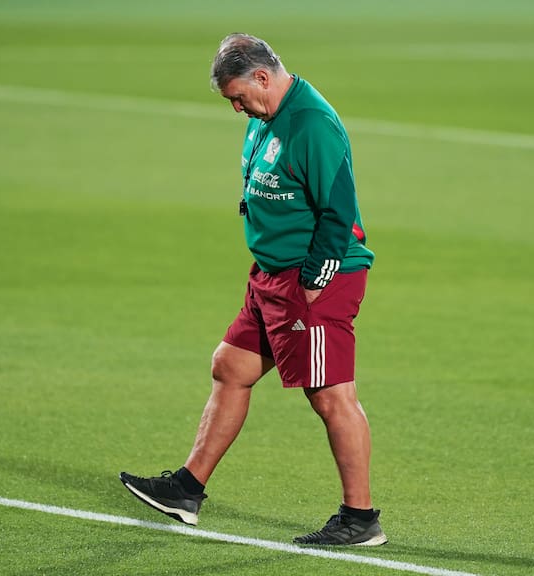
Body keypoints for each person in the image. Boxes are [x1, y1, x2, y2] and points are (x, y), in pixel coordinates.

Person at [120, 33, 386, 547]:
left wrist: (313, 282)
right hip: (269, 277)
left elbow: (338, 210)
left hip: (312, 280)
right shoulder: (263, 118)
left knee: (331, 396)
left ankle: (360, 519)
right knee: (231, 366)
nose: (237, 107)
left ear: (263, 77)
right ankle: (186, 489)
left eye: (239, 96)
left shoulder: (311, 124)